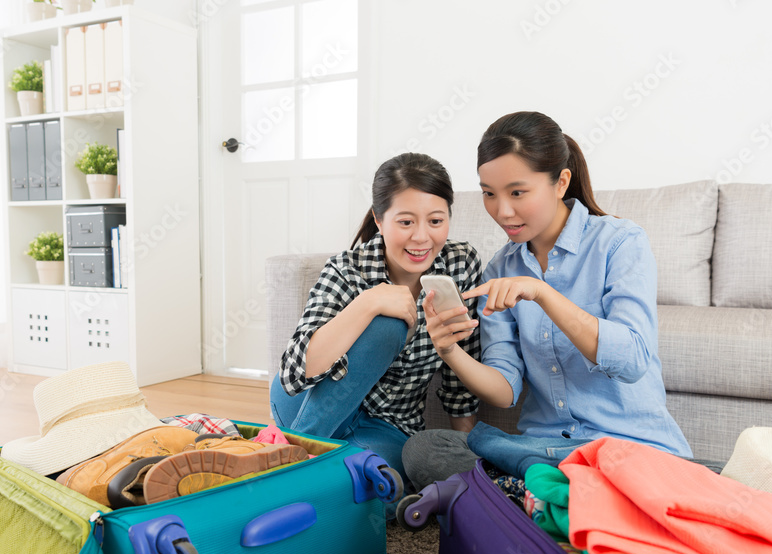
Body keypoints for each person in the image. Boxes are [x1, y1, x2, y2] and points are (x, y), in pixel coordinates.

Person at [402, 111, 692, 490]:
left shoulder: (620, 242)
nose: (502, 211)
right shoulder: (499, 268)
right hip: (544, 450)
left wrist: (543, 294)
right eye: (489, 193)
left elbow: (634, 360)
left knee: (625, 476)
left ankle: (530, 497)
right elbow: (505, 391)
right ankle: (556, 498)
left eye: (517, 192)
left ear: (561, 182)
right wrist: (450, 351)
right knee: (425, 449)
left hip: (626, 448)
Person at [270, 152, 482, 482]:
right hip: (308, 402)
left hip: (387, 425)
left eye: (436, 221)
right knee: (386, 325)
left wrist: (467, 454)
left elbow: (462, 369)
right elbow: (295, 373)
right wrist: (367, 303)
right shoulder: (347, 268)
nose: (422, 237)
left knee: (375, 485)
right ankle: (296, 464)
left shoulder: (460, 264)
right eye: (406, 222)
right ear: (379, 220)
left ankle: (285, 460)